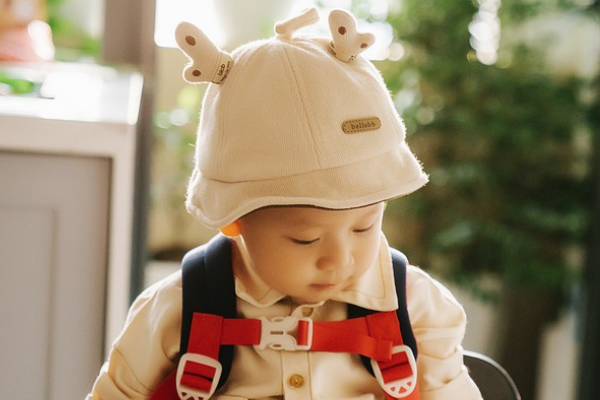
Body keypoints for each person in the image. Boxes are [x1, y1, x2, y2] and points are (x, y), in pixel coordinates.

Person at [86, 7, 483, 400]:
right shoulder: (178, 308)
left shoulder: (416, 307)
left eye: (364, 226)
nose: (339, 259)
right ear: (234, 219)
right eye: (305, 239)